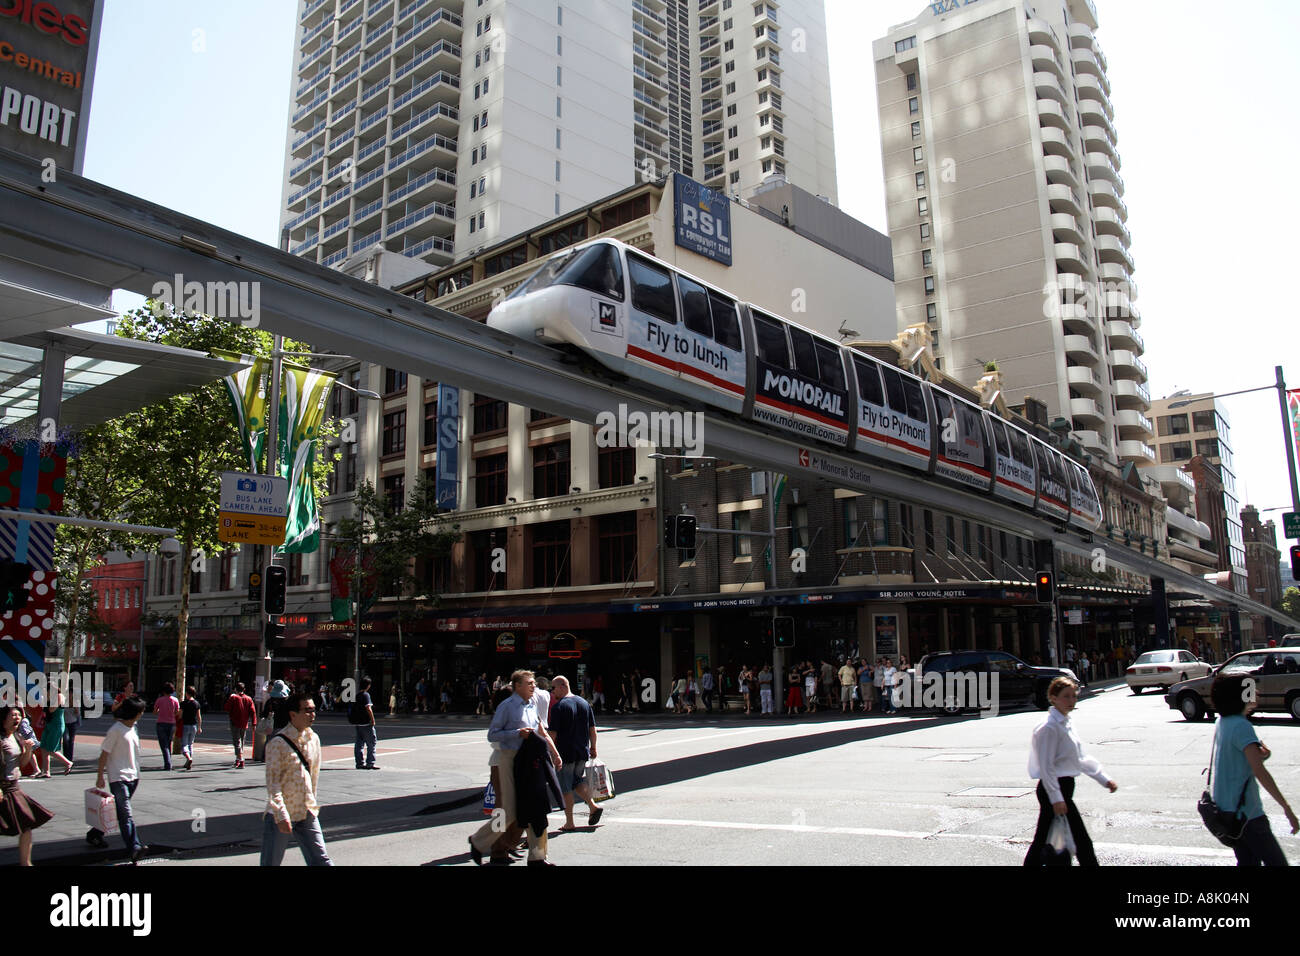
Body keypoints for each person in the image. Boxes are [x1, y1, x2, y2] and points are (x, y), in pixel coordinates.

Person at [467, 670, 562, 867]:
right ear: (517, 685)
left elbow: (540, 730)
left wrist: (554, 753)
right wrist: (517, 733)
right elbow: (492, 735)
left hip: (529, 761)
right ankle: (482, 842)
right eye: (529, 683)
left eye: (534, 683)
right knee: (508, 810)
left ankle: (537, 857)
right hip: (508, 759)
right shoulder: (507, 706)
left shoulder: (532, 704)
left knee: (536, 808)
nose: (533, 686)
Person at [1024, 677, 1117, 866]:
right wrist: (1056, 798)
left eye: (1074, 696)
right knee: (1080, 840)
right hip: (1054, 788)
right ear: (1053, 697)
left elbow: (1079, 758)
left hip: (1063, 787)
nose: (1071, 700)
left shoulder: (1065, 723)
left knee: (1043, 838)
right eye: (1066, 696)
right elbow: (1046, 766)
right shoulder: (1048, 727)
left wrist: (1103, 778)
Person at [1209, 674, 1298, 865]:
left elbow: (1237, 759)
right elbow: (1259, 772)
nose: (1256, 692)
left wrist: (1261, 755)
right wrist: (1287, 808)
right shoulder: (1242, 727)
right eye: (1250, 689)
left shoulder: (1222, 722)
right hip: (1248, 815)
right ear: (1240, 695)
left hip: (1227, 813)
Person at [261, 691, 332, 866]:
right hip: (281, 813)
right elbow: (273, 784)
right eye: (307, 710)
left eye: (314, 710)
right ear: (293, 714)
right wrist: (280, 813)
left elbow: (314, 774)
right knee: (271, 863)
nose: (312, 714)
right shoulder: (277, 743)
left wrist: (312, 801)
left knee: (321, 860)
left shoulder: (314, 739)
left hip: (306, 810)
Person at [88, 695, 148, 864]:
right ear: (135, 713)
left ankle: (94, 834)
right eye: (141, 711)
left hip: (134, 777)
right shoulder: (116, 730)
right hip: (118, 777)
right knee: (126, 815)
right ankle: (134, 848)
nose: (143, 713)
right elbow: (104, 754)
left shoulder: (133, 727)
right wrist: (100, 776)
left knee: (117, 810)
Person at [549, 676, 604, 831]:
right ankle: (593, 806)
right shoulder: (584, 703)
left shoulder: (559, 707)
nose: (552, 692)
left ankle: (569, 822)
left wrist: (551, 753)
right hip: (582, 751)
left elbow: (552, 734)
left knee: (565, 788)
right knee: (576, 781)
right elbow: (592, 729)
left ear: (562, 686)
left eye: (553, 688)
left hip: (564, 754)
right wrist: (593, 747)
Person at [1, 706, 54, 865]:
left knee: (26, 825)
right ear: (3, 719)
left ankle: (26, 863)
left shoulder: (16, 737)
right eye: (13, 715)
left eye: (19, 715)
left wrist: (28, 750)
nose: (17, 718)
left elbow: (22, 764)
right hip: (2, 787)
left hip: (14, 787)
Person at [36, 693, 73, 777]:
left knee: (50, 749)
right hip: (49, 724)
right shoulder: (47, 697)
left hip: (56, 725)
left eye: (48, 690)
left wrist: (46, 701)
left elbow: (52, 709)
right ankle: (46, 771)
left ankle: (68, 763)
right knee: (43, 747)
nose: (46, 692)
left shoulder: (59, 696)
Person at [223, 682, 256, 769]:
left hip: (235, 723)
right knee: (241, 741)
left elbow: (226, 708)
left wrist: (230, 698)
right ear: (244, 689)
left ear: (235, 689)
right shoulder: (249, 699)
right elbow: (253, 712)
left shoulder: (233, 698)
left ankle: (241, 759)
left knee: (237, 742)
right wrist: (254, 723)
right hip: (244, 723)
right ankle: (238, 759)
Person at [352, 676, 379, 770]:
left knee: (359, 744)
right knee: (372, 743)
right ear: (368, 685)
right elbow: (368, 708)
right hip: (366, 723)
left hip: (358, 723)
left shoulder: (357, 695)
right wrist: (373, 720)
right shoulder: (366, 695)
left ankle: (359, 763)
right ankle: (370, 763)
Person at [153, 682, 180, 771]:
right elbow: (177, 712)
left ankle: (168, 763)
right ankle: (168, 761)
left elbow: (154, 712)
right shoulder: (175, 700)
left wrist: (161, 711)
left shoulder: (159, 700)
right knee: (168, 743)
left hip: (161, 723)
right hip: (172, 724)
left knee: (163, 745)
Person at [179, 686, 202, 771]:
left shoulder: (183, 703)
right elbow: (199, 716)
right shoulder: (196, 703)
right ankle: (189, 761)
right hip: (194, 726)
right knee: (190, 744)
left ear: (187, 693)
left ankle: (188, 758)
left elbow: (180, 715)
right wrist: (199, 727)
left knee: (184, 744)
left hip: (185, 725)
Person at [62, 691, 80, 761]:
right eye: (68, 694)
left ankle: (70, 758)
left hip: (73, 722)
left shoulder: (76, 702)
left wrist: (75, 708)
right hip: (65, 723)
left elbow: (77, 714)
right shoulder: (63, 702)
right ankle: (65, 756)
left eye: (71, 694)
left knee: (71, 740)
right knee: (65, 740)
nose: (69, 695)